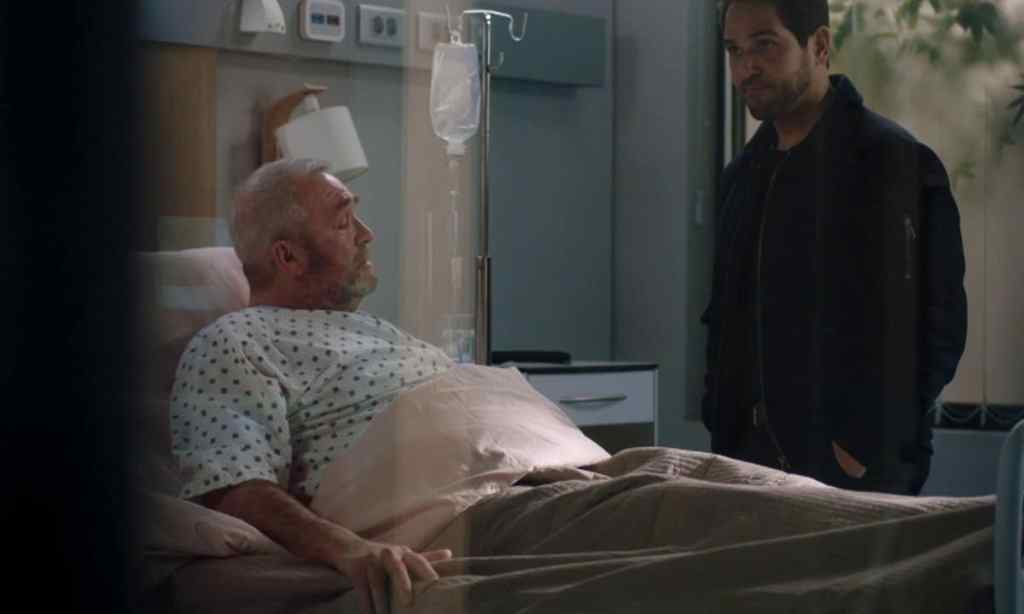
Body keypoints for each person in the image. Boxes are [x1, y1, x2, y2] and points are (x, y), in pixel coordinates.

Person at [701, 0, 968, 495]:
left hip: (856, 470)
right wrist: (721, 422)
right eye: (734, 50)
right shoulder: (741, 177)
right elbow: (725, 319)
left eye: (765, 45)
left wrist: (865, 443)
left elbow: (940, 324)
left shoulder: (890, 162)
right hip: (744, 466)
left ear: (820, 46)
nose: (745, 67)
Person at [169, 158, 455, 614]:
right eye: (344, 222)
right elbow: (234, 486)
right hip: (457, 516)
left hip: (535, 473)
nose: (366, 234)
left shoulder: (381, 333)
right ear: (288, 257)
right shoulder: (237, 340)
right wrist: (350, 549)